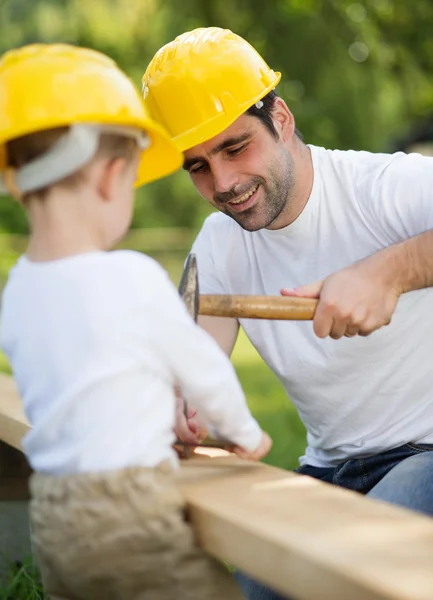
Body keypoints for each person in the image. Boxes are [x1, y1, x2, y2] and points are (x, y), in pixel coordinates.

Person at [142, 26, 433, 600]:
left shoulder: (387, 188)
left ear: (280, 118)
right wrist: (180, 408)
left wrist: (389, 272)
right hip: (329, 467)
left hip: (428, 449)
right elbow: (194, 371)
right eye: (197, 166)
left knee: (360, 569)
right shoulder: (219, 244)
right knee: (264, 576)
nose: (223, 183)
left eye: (234, 147)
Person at [0, 43, 272, 600]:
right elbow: (205, 374)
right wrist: (246, 434)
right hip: (129, 512)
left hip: (54, 515)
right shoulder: (132, 275)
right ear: (110, 178)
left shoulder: (18, 290)